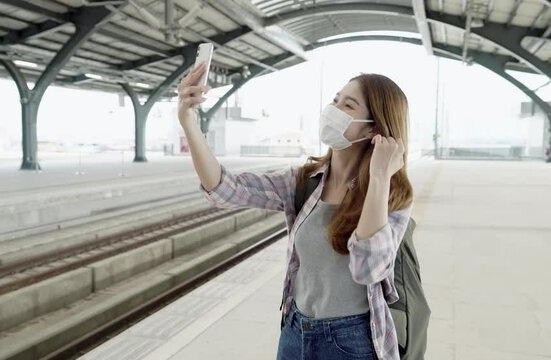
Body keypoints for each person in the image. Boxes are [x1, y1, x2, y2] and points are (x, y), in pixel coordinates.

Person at [177, 62, 413, 360]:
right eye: (335, 99)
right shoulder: (304, 182)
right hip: (295, 329)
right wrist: (188, 119)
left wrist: (379, 177)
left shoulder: (393, 194)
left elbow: (369, 270)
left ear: (374, 129)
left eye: (348, 105)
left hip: (352, 341)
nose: (333, 109)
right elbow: (225, 189)